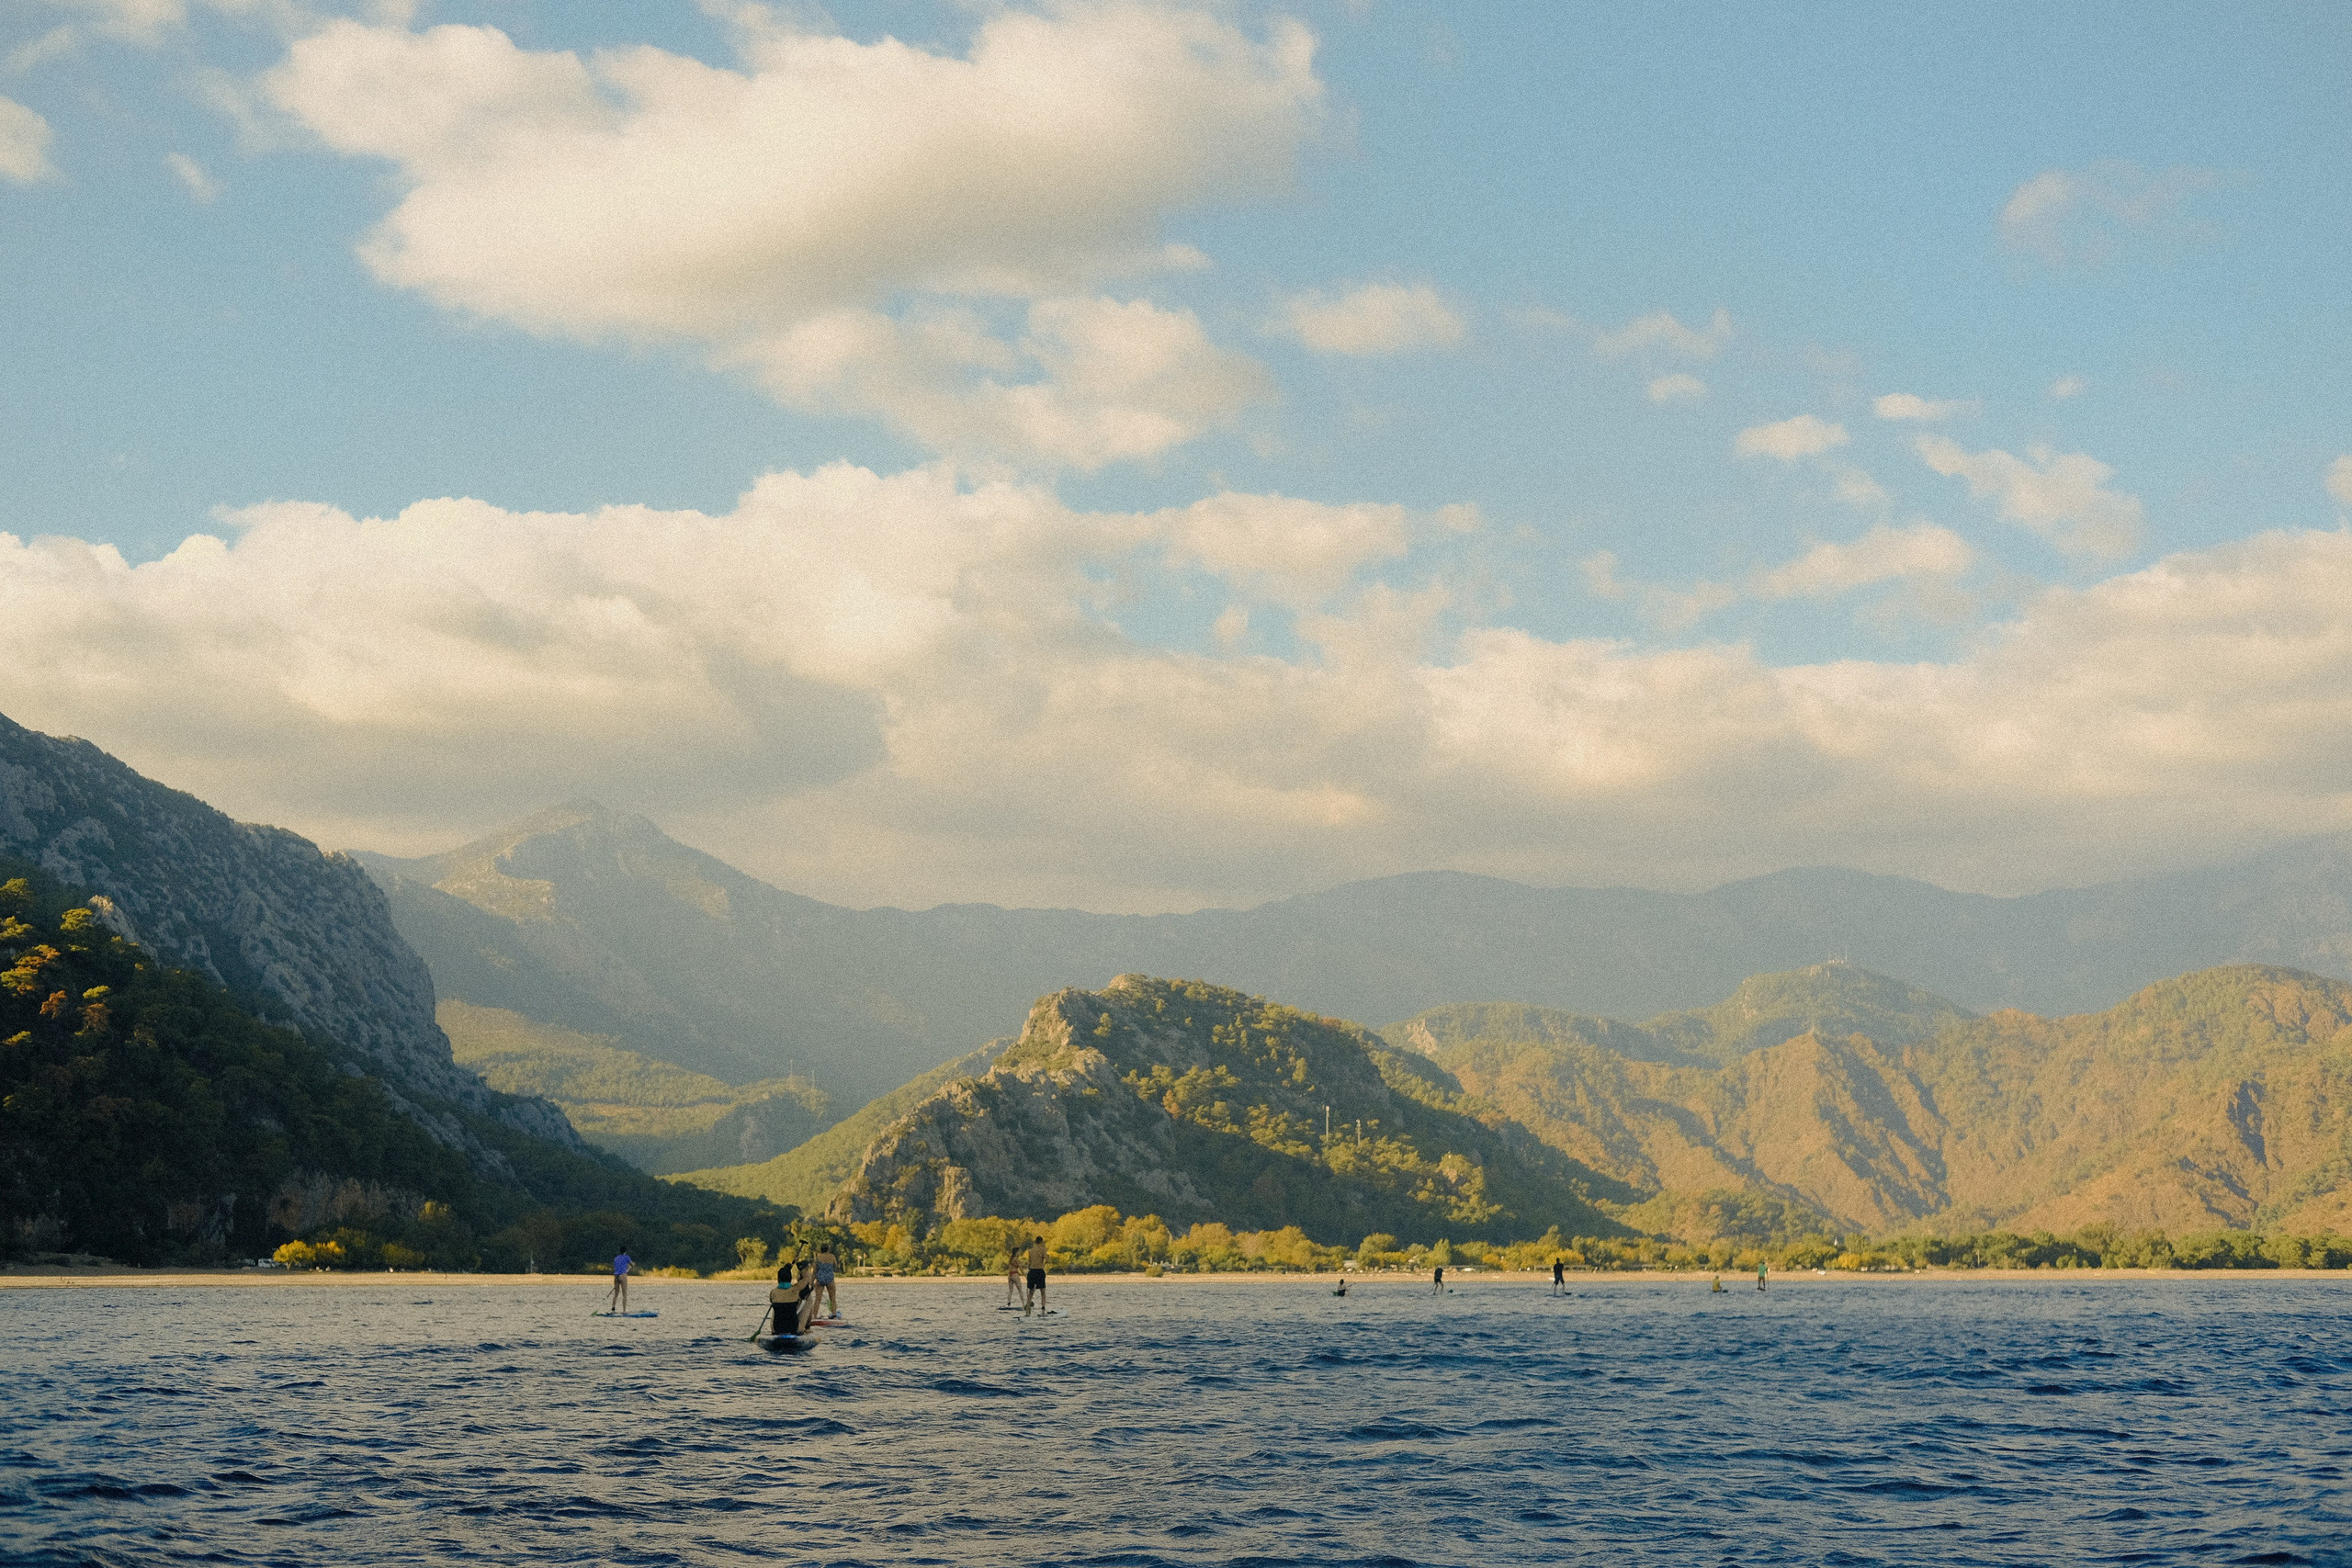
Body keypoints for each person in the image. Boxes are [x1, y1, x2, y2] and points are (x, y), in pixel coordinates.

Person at [813, 1241, 840, 1319]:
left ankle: (814, 1316)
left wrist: (812, 1282)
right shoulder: (832, 1256)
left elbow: (815, 1271)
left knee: (818, 1299)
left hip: (820, 1278)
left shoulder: (818, 1257)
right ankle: (834, 1314)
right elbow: (836, 1267)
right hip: (829, 1278)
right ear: (828, 1249)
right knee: (832, 1298)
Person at [1025, 1235, 1048, 1314]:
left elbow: (1029, 1262)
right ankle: (1043, 1308)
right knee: (1043, 1291)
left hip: (1032, 1271)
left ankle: (1028, 1306)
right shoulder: (1043, 1249)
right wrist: (1048, 1257)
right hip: (1039, 1271)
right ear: (1041, 1242)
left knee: (1031, 1291)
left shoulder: (1031, 1250)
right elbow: (1046, 1259)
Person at [608, 1248, 633, 1314]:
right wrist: (627, 1270)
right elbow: (632, 1265)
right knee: (624, 1293)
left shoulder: (616, 1258)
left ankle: (613, 1309)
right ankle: (624, 1310)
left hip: (616, 1276)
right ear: (625, 1251)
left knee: (616, 1293)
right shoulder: (626, 1257)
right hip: (623, 1275)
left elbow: (615, 1267)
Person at [1004, 1245, 1024, 1309]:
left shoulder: (1011, 1259)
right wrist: (1026, 1276)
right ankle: (1024, 1304)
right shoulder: (1017, 1260)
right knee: (1020, 1290)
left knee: (1010, 1290)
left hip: (1010, 1275)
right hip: (1015, 1275)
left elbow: (1012, 1267)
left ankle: (1008, 1303)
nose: (1020, 1253)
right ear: (1016, 1252)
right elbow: (1021, 1269)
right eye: (1019, 1252)